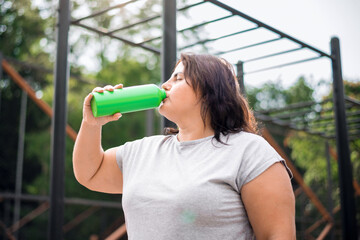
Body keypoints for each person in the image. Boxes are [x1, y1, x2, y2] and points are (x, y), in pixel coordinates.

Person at [73, 53, 296, 240]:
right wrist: (91, 124)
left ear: (210, 92)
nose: (165, 85)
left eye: (178, 78)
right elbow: (90, 173)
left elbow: (277, 235)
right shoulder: (143, 151)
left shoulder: (249, 151)